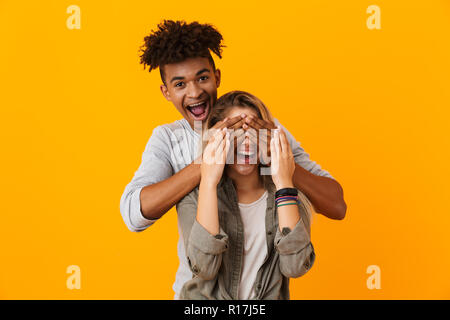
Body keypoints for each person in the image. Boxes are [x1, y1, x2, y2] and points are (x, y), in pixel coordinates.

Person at [120, 20, 346, 299]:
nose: (194, 92)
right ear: (166, 91)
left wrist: (282, 165)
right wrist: (206, 165)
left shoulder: (266, 128)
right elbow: (133, 215)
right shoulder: (168, 139)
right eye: (180, 84)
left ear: (216, 77)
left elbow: (336, 206)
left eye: (202, 78)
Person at [178, 91, 315, 299]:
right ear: (216, 139)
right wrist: (208, 180)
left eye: (253, 133)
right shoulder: (194, 196)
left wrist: (284, 181)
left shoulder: (285, 193)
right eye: (236, 134)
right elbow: (204, 267)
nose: (247, 144)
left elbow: (295, 266)